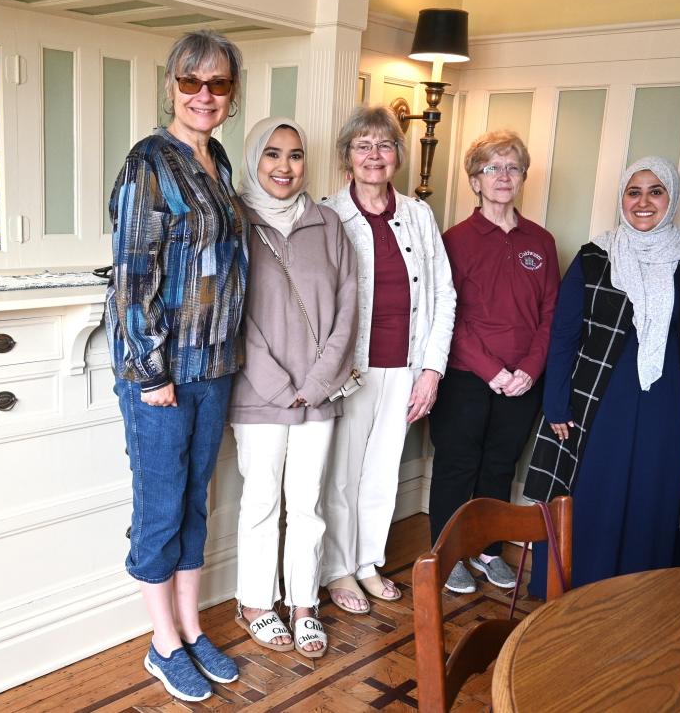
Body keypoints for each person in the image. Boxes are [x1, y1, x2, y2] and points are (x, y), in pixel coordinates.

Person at [106, 29, 246, 703]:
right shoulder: (147, 164)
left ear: (232, 93)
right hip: (162, 373)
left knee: (196, 503)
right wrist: (151, 371)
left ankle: (190, 627)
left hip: (215, 364)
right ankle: (162, 644)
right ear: (171, 86)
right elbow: (133, 278)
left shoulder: (216, 158)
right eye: (191, 82)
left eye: (217, 83)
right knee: (160, 510)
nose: (204, 95)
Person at [525, 156, 680, 598]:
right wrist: (555, 403)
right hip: (599, 398)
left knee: (656, 492)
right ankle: (577, 591)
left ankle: (642, 597)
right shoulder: (596, 256)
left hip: (670, 400)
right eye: (634, 192)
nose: (644, 202)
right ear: (622, 199)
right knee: (594, 492)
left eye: (656, 191)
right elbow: (564, 334)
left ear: (672, 199)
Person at [318, 106, 456, 614]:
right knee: (342, 473)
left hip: (406, 367)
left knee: (381, 472)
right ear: (347, 158)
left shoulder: (418, 214)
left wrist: (432, 371)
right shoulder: (329, 214)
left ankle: (367, 562)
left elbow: (444, 294)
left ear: (398, 155)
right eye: (363, 146)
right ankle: (337, 569)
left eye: (384, 146)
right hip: (349, 370)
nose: (375, 156)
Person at [229, 117, 357, 659]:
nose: (285, 167)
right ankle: (257, 602)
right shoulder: (233, 222)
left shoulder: (328, 224)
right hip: (260, 395)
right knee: (260, 501)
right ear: (255, 158)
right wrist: (279, 385)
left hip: (319, 394)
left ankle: (304, 604)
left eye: (296, 155)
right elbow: (230, 313)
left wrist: (320, 380)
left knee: (307, 503)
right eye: (273, 154)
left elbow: (350, 306)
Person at [429, 130, 559, 594]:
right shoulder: (455, 240)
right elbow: (449, 318)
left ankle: (487, 550)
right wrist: (494, 371)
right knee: (457, 465)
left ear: (523, 177)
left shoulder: (540, 241)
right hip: (467, 376)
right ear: (475, 180)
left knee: (500, 465)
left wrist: (528, 369)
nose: (503, 176)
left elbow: (550, 315)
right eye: (492, 168)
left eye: (512, 168)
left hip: (524, 381)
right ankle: (446, 554)